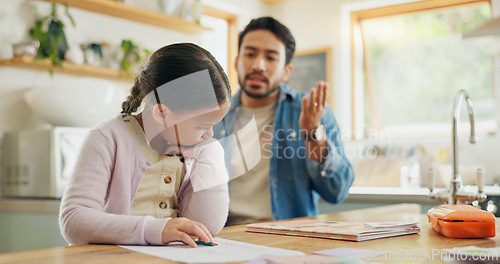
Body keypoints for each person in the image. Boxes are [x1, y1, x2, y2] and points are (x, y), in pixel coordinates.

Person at [59, 43, 231, 248]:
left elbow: (206, 226)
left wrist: (211, 154)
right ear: (162, 114)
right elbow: (74, 220)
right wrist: (155, 229)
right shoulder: (107, 138)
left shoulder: (194, 150)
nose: (210, 135)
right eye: (203, 126)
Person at [214, 17, 354, 225]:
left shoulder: (312, 113)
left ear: (286, 71)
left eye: (270, 58)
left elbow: (337, 191)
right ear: (236, 62)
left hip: (288, 238)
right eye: (250, 54)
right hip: (224, 236)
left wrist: (313, 135)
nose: (258, 65)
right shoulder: (214, 117)